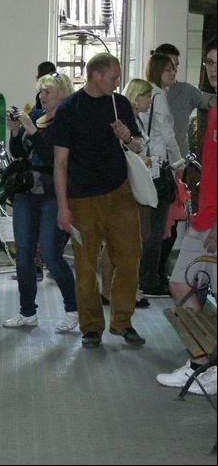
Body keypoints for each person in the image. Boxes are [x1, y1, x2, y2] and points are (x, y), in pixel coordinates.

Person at [53, 52, 145, 348]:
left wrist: (127, 136)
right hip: (82, 198)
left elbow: (138, 146)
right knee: (85, 265)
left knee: (130, 257)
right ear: (95, 75)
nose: (117, 82)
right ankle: (91, 327)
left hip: (120, 193)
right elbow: (60, 162)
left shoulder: (120, 104)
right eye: (113, 77)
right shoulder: (69, 108)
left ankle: (122, 321)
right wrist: (63, 207)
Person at [156, 38, 217, 395]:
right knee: (180, 283)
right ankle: (201, 361)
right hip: (205, 215)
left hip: (215, 220)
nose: (213, 69)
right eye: (209, 62)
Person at [2, 72, 78, 330]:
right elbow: (20, 153)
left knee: (51, 254)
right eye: (41, 91)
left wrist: (32, 131)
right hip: (26, 192)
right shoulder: (36, 116)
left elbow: (52, 158)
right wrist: (15, 132)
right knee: (23, 255)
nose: (42, 96)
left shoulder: (67, 122)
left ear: (62, 94)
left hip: (52, 194)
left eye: (48, 92)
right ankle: (27, 311)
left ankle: (72, 309)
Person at [98, 78, 153, 309]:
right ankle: (120, 290)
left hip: (124, 183)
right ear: (136, 96)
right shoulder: (124, 116)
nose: (149, 100)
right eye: (146, 96)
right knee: (128, 240)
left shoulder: (134, 117)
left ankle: (109, 290)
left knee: (116, 241)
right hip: (126, 184)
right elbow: (131, 149)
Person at [135, 54, 181, 297]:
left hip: (143, 165)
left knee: (146, 226)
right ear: (157, 71)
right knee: (156, 227)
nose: (173, 73)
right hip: (158, 165)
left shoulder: (143, 92)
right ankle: (149, 279)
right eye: (168, 69)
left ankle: (142, 276)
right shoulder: (158, 96)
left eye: (174, 69)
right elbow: (168, 135)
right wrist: (178, 164)